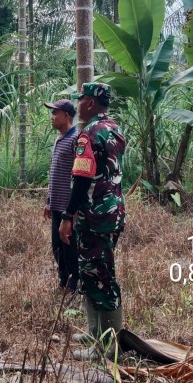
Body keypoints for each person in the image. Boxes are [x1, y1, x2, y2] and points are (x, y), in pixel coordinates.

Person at [59, 82, 126, 360]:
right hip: (112, 211)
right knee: (93, 272)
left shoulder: (88, 135)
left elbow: (81, 179)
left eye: (82, 100)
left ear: (89, 103)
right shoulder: (114, 129)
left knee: (101, 276)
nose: (79, 105)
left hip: (94, 214)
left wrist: (67, 216)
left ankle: (108, 347)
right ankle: (95, 330)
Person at [42, 99, 79, 292]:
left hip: (68, 207)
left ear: (66, 115)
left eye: (55, 113)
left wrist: (72, 209)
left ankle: (74, 282)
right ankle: (63, 279)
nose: (52, 117)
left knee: (70, 246)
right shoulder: (59, 139)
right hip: (56, 204)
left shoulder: (76, 139)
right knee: (57, 245)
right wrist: (49, 200)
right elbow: (54, 172)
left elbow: (78, 176)